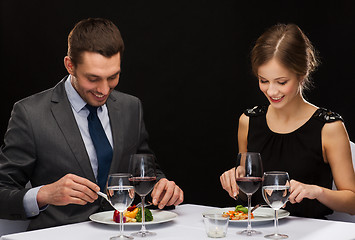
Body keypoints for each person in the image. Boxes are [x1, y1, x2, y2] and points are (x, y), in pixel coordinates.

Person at [0, 18, 183, 230]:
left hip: (124, 231)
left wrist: (162, 187)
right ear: (70, 65)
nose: (104, 90)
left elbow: (143, 170)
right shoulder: (30, 114)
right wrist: (45, 194)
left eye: (113, 77)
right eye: (93, 78)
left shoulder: (131, 107)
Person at [220, 23, 355, 219]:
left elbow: (352, 203)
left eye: (282, 82)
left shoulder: (329, 127)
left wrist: (317, 191)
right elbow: (246, 194)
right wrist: (234, 179)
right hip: (258, 231)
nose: (272, 91)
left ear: (302, 74)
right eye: (263, 81)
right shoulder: (248, 121)